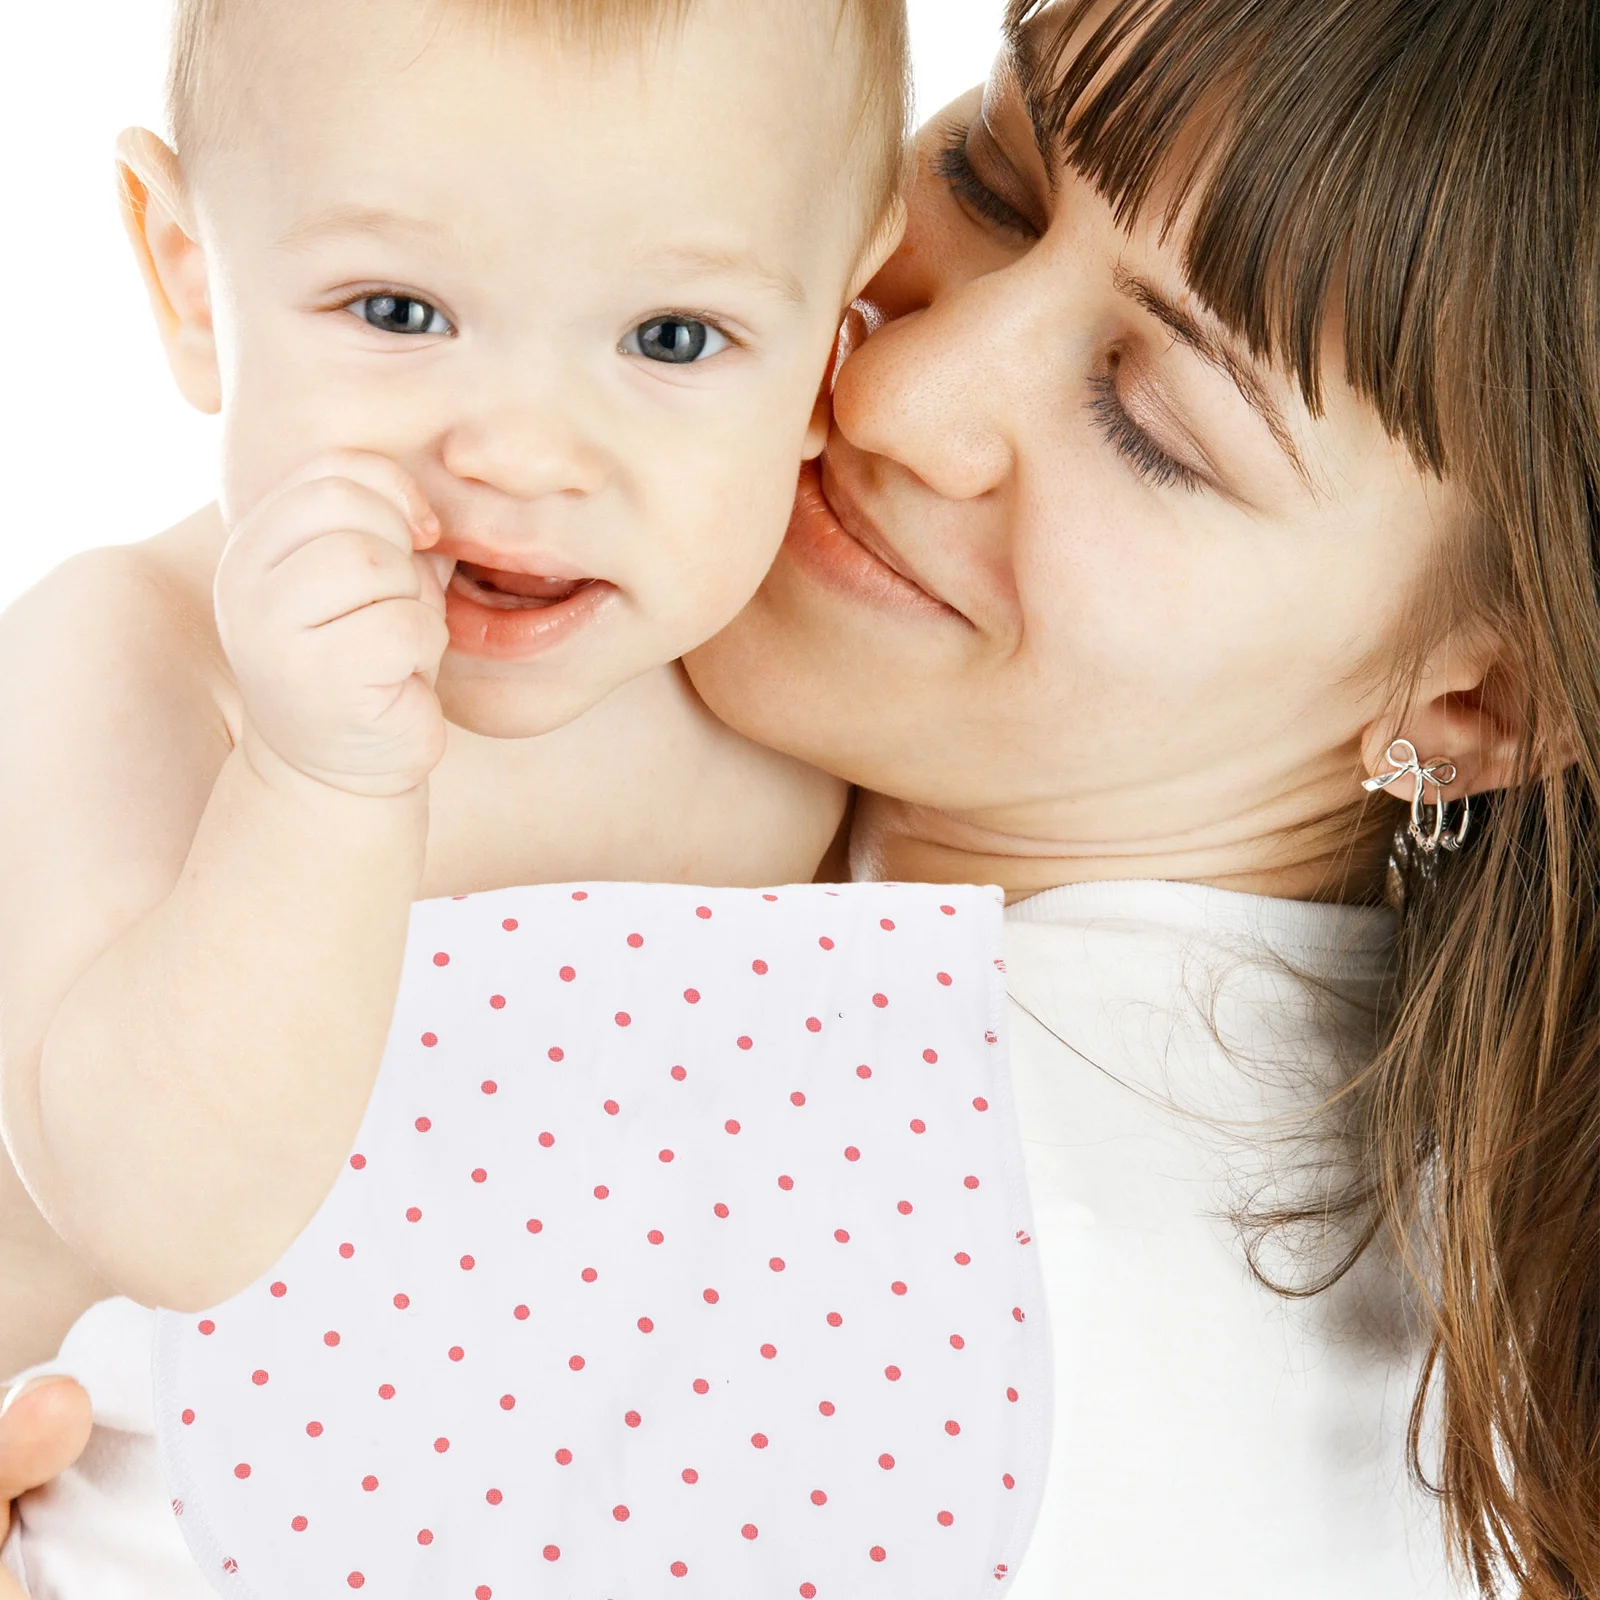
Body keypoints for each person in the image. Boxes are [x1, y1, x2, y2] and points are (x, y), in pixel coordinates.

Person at [10, 0, 1600, 1595]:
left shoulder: (1013, 1229)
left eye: (1153, 427)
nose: (897, 384)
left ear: (1469, 699)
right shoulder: (661, 767)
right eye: (986, 182)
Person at [0, 0, 908, 1382]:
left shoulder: (799, 703)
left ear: (838, 339)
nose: (524, 455)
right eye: (399, 312)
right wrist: (315, 784)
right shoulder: (130, 661)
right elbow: (162, 1220)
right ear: (191, 280)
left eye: (671, 338)